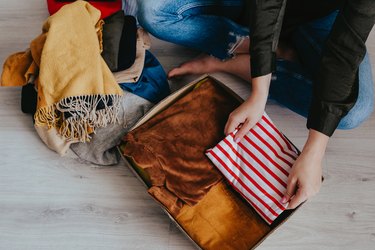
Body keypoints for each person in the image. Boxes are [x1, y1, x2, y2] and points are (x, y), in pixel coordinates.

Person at [136, 0, 375, 209]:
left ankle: (236, 60)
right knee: (153, 11)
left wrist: (314, 151)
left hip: (323, 20)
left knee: (353, 111)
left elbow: (345, 50)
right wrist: (258, 94)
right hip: (248, 5)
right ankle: (251, 47)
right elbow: (267, 5)